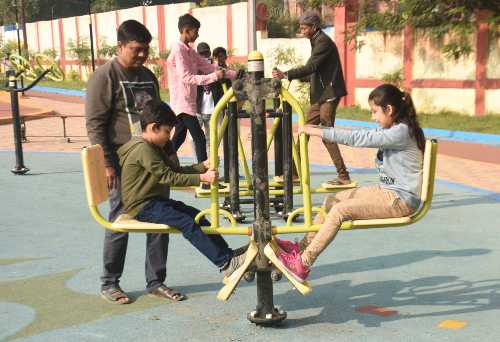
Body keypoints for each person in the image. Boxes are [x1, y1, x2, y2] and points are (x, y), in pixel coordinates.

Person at [274, 84, 426, 282]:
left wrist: (318, 130)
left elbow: (359, 138)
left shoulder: (401, 132)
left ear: (389, 110)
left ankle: (303, 263)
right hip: (388, 192)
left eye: (375, 112)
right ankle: (301, 248)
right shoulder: (397, 128)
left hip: (400, 199)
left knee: (340, 211)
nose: (373, 117)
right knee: (331, 201)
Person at [118, 101, 247, 299]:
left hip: (155, 201)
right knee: (187, 223)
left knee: (197, 217)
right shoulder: (143, 149)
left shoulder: (153, 146)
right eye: (167, 132)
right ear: (153, 127)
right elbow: (169, 178)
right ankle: (225, 262)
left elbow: (175, 171)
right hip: (143, 206)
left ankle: (228, 256)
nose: (169, 137)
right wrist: (201, 178)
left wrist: (201, 167)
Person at [86, 20, 167, 304]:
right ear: (120, 46)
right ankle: (110, 282)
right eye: (136, 49)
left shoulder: (147, 75)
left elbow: (159, 118)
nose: (142, 55)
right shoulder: (105, 77)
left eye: (146, 50)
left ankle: (156, 280)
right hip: (122, 164)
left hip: (152, 162)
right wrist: (108, 165)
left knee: (160, 220)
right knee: (121, 221)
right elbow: (96, 126)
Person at [272, 10, 351, 185]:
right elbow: (320, 69)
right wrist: (304, 77)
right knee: (304, 130)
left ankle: (343, 176)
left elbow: (312, 66)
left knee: (326, 134)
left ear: (314, 27)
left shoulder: (322, 42)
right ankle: (293, 173)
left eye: (304, 27)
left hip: (329, 94)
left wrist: (287, 74)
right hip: (321, 94)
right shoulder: (315, 40)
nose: (301, 30)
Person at [167, 13, 236, 164]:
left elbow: (209, 66)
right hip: (182, 103)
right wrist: (214, 77)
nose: (197, 34)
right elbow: (186, 77)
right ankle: (204, 175)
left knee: (179, 137)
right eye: (195, 31)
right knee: (199, 138)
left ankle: (160, 163)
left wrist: (234, 75)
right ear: (186, 30)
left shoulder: (190, 51)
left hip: (189, 102)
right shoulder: (178, 50)